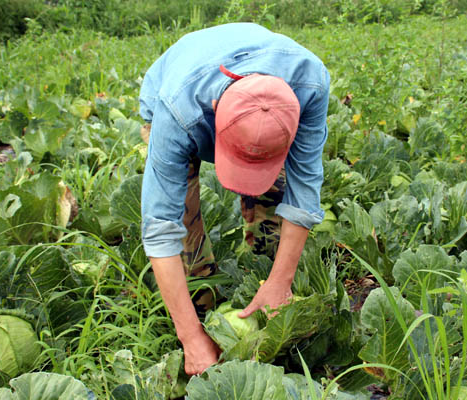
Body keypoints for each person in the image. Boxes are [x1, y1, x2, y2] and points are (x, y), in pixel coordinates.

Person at [139, 22, 330, 376]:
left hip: (266, 95)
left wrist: (279, 282)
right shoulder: (178, 110)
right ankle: (198, 311)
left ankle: (261, 281)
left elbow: (304, 192)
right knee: (183, 221)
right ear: (215, 108)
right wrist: (191, 337)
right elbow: (159, 229)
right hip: (177, 92)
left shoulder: (310, 86)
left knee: (278, 192)